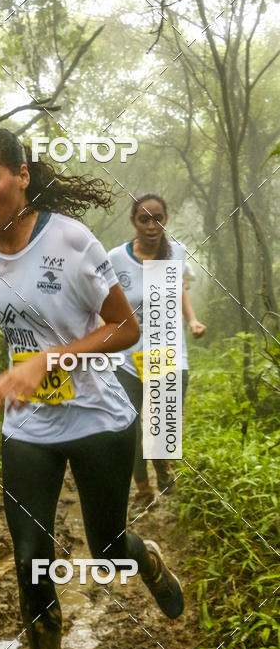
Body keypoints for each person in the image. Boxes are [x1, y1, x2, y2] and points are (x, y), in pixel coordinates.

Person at [0, 128, 184, 649]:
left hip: (97, 418)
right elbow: (18, 308)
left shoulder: (71, 240)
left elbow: (124, 329)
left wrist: (48, 362)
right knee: (31, 559)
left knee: (106, 548)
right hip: (28, 424)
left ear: (21, 176)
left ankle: (146, 558)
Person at [108, 194, 207, 508]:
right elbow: (104, 302)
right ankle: (143, 491)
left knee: (161, 423)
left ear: (166, 219)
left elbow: (178, 290)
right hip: (127, 356)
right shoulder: (116, 259)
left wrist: (192, 320)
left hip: (165, 351)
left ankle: (162, 465)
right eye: (144, 219)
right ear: (133, 221)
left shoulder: (175, 253)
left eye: (158, 219)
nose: (152, 226)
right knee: (129, 425)